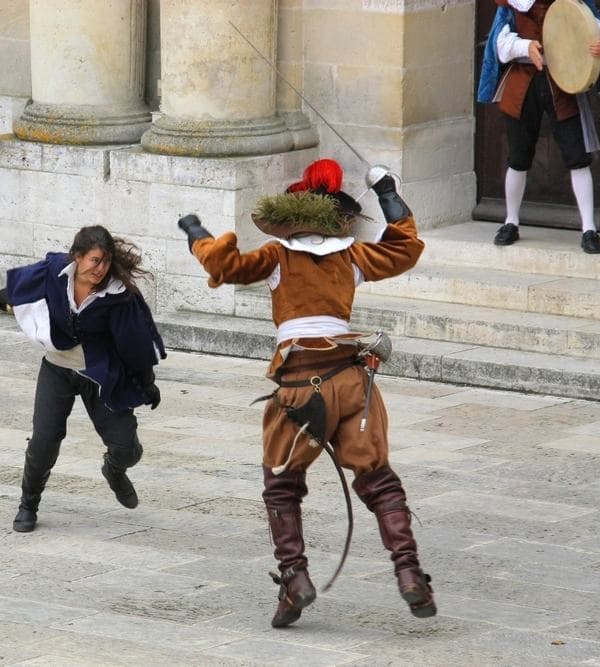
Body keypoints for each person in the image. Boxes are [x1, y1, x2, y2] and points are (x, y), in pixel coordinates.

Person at [177, 159, 436, 628]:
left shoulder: (277, 256)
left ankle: (295, 579)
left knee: (281, 485)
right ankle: (408, 572)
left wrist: (196, 232)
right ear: (340, 219)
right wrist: (388, 192)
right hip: (352, 379)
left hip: (299, 385)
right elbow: (405, 246)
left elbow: (224, 265)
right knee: (377, 479)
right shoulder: (352, 256)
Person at [0, 225, 165, 533]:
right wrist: (7, 297)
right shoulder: (57, 270)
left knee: (127, 448)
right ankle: (28, 504)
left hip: (101, 375)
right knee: (44, 442)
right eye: (94, 261)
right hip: (57, 368)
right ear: (78, 257)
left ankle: (114, 470)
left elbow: (136, 341)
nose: (101, 269)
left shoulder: (119, 294)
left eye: (106, 261)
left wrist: (146, 381)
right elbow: (25, 282)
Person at [477, 0, 600, 254]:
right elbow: (500, 43)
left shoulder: (571, 2)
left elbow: (598, 27)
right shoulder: (512, 4)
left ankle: (589, 228)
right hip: (521, 85)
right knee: (518, 157)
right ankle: (511, 221)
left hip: (562, 83)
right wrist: (525, 46)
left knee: (577, 157)